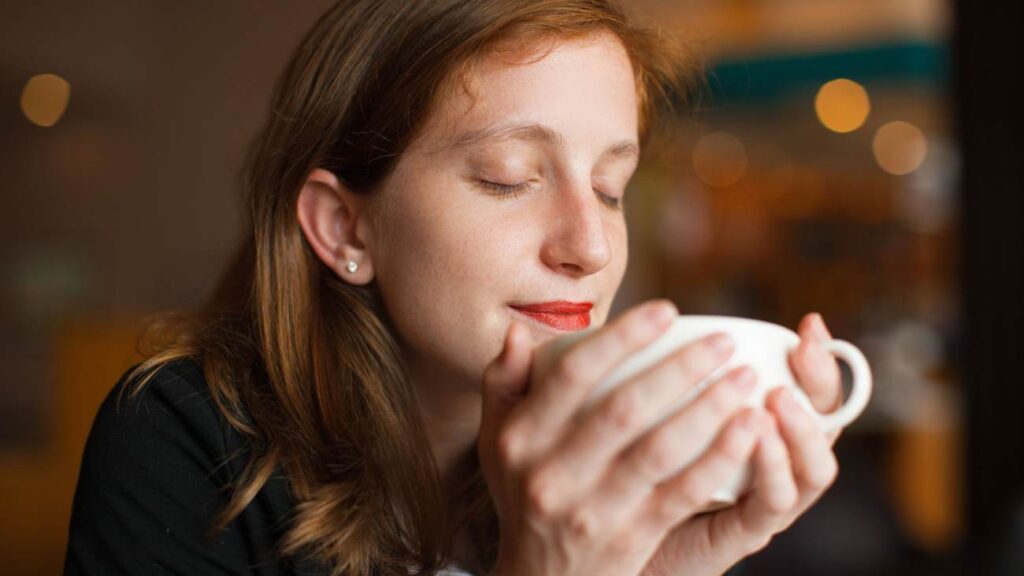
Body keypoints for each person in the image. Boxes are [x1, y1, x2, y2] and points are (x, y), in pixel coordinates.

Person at [64, 1, 846, 574]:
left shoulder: (612, 470)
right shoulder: (181, 442)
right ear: (345, 229)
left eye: (611, 188)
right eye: (508, 178)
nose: (591, 245)